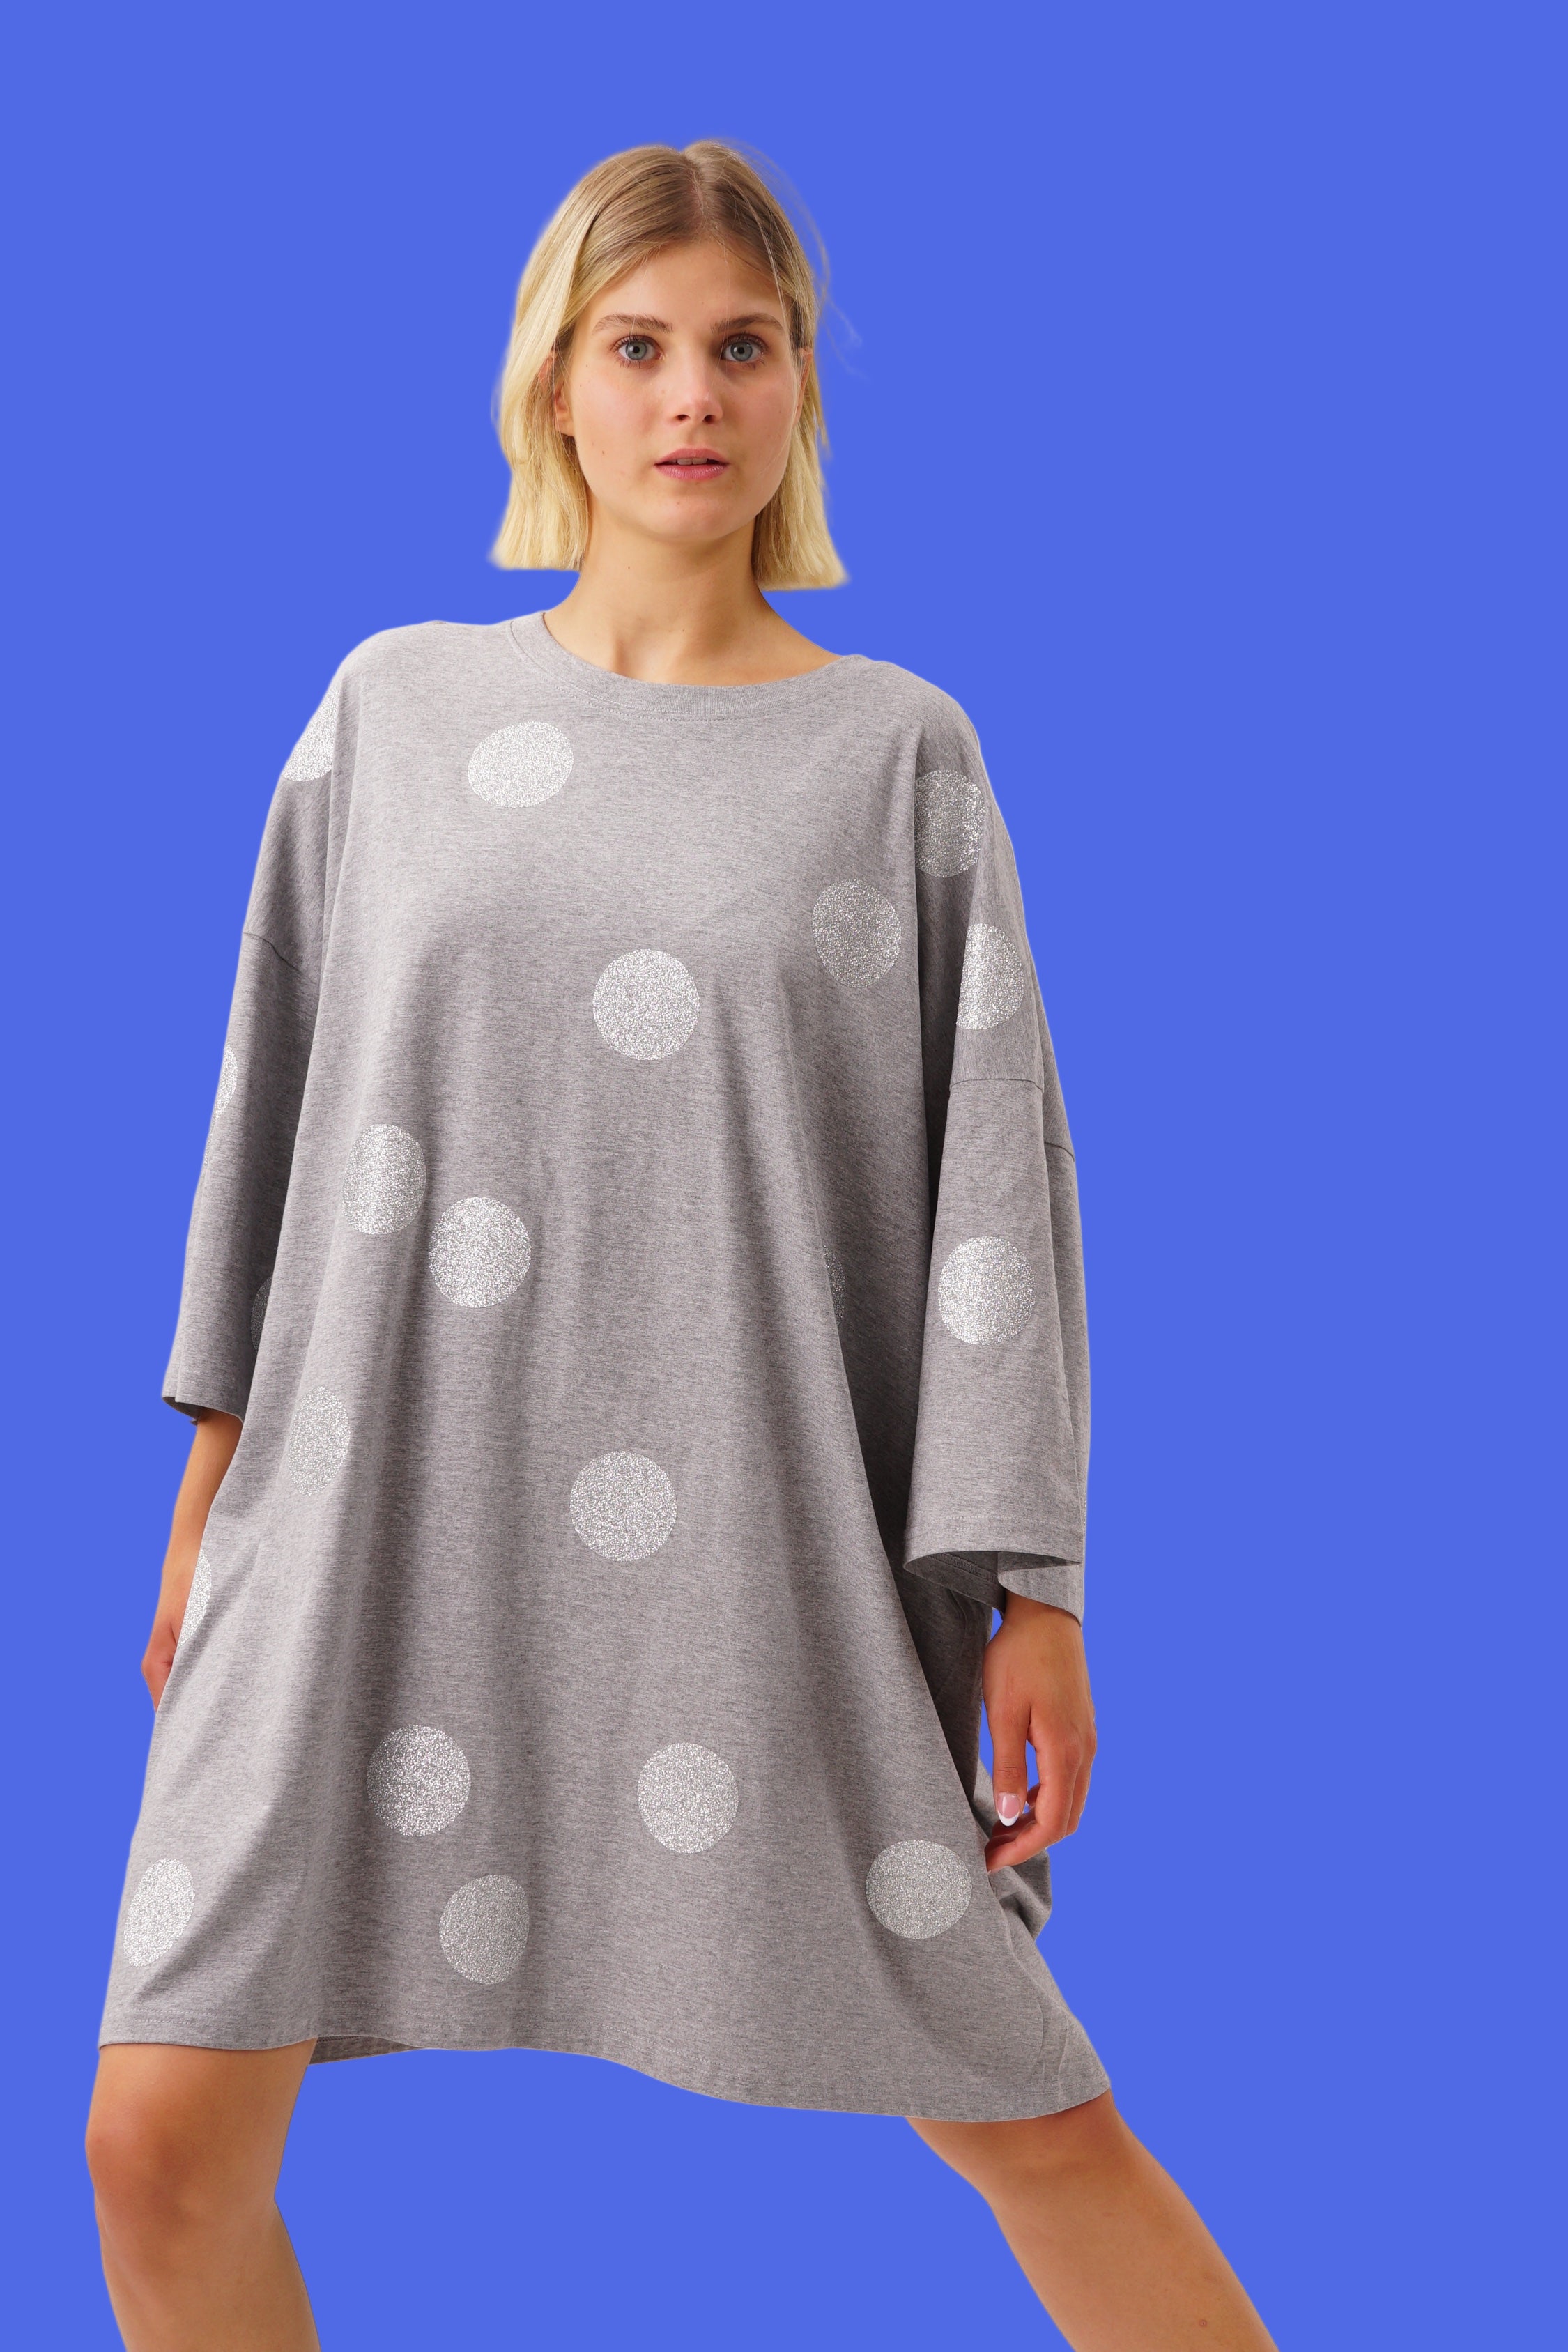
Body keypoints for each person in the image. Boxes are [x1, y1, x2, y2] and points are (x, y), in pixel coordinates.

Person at [86, 140, 1277, 2351]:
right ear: (554, 384)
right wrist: (207, 1492)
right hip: (364, 1518)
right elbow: (274, 1123)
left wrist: (1031, 1589)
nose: (690, 398)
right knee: (155, 2142)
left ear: (801, 383)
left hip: (750, 1535)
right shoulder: (389, 713)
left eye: (741, 347)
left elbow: (995, 1201)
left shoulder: (890, 755)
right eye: (635, 348)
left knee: (1020, 2111)